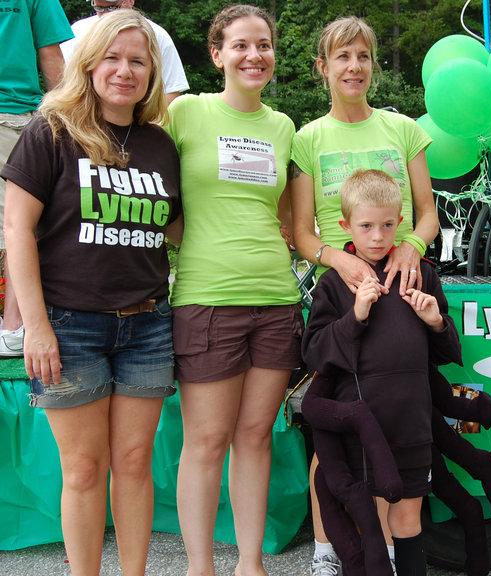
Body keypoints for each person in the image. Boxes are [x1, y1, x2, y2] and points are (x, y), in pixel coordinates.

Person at [2, 10, 181, 576]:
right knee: (82, 469)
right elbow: (15, 232)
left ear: (151, 72)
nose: (124, 70)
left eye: (137, 60)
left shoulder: (158, 145)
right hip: (69, 326)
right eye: (112, 57)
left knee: (133, 465)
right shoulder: (50, 132)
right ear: (88, 62)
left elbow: (176, 229)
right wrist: (36, 326)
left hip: (148, 326)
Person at [289, 16, 438, 574]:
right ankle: (328, 551)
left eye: (364, 56)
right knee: (334, 421)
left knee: (392, 421)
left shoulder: (403, 129)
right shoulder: (308, 139)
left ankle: (387, 551)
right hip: (339, 292)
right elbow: (302, 233)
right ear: (322, 68)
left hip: (401, 284)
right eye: (342, 57)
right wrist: (341, 258)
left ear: (373, 66)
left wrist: (411, 247)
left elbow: (427, 214)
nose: (354, 67)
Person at [163, 5, 301, 576]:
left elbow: (292, 222)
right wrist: (184, 239)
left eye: (263, 45)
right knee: (207, 440)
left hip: (275, 298)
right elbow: (151, 192)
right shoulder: (185, 113)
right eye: (240, 45)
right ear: (216, 54)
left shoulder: (283, 126)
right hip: (206, 299)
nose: (254, 55)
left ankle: (250, 565)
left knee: (255, 436)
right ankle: (200, 568)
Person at [301, 169, 462, 576]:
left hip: (410, 428)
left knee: (406, 521)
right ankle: (329, 555)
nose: (378, 236)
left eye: (388, 225)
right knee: (364, 525)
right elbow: (315, 354)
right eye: (367, 226)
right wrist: (355, 317)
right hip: (359, 432)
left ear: (401, 221)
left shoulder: (420, 275)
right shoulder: (336, 285)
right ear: (345, 226)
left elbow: (448, 353)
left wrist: (435, 321)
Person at [0, 0, 73, 357]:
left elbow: (50, 54)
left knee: (17, 223)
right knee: (20, 223)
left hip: (12, 114)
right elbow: (51, 56)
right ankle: (14, 327)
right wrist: (70, 120)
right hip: (12, 113)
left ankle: (14, 327)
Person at [61, 0, 189, 104]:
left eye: (113, 7)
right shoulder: (77, 32)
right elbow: (65, 86)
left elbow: (170, 94)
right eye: (99, 8)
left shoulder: (158, 36)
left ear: (130, 1)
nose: (106, 14)